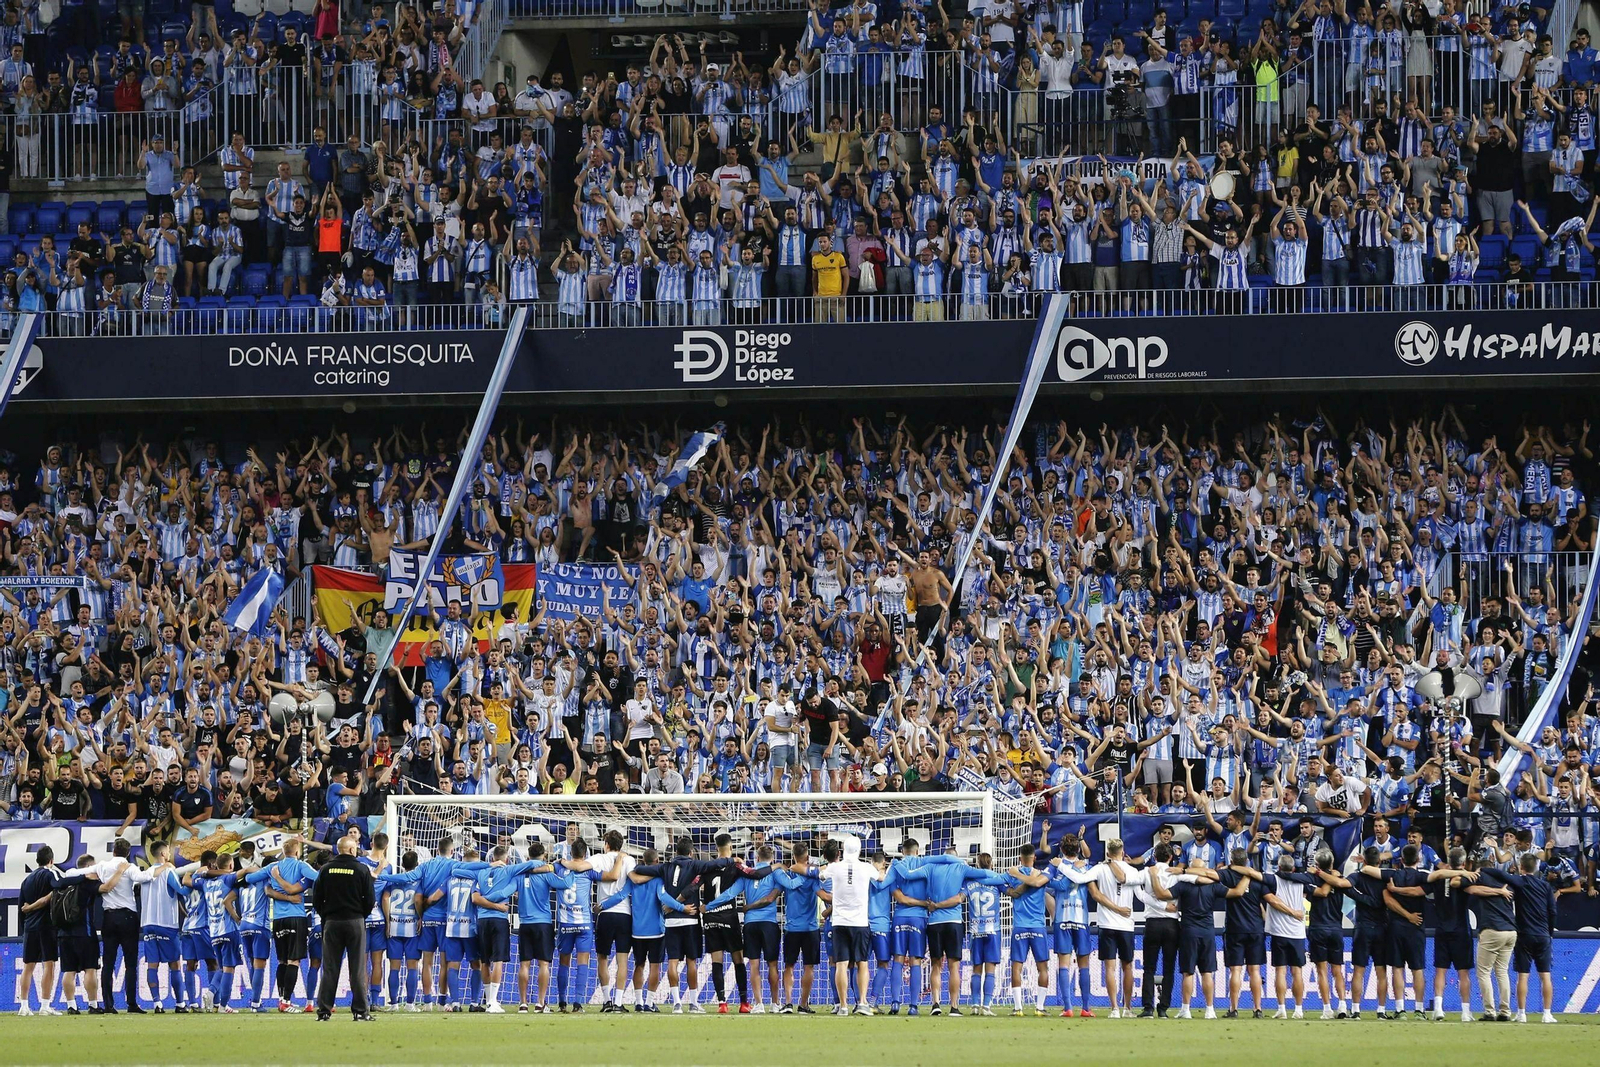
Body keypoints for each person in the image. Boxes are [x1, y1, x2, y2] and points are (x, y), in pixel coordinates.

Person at [312, 835, 377, 1022]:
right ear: (350, 849)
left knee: (330, 968)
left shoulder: (325, 870)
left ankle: (324, 1011)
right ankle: (360, 1012)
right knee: (357, 968)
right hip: (355, 921)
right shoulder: (361, 869)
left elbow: (317, 899)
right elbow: (370, 900)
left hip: (332, 922)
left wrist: (327, 915)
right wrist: (359, 915)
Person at [818, 832, 877, 1016]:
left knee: (841, 964)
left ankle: (842, 1006)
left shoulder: (835, 867)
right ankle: (862, 1003)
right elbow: (880, 877)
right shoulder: (867, 868)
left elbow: (821, 875)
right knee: (862, 963)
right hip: (860, 922)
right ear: (859, 850)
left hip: (839, 922)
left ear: (843, 850)